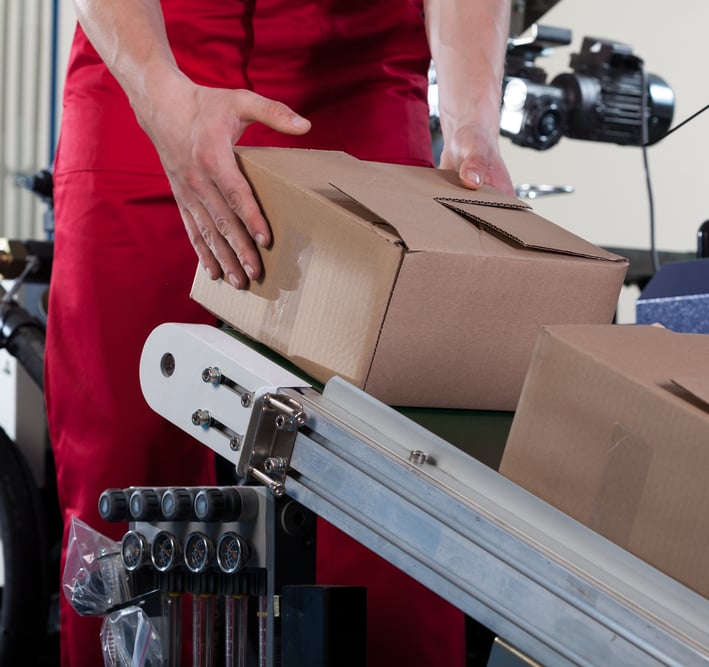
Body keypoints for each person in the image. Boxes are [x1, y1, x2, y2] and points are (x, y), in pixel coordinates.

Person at [46, 1, 515, 665]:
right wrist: (160, 94)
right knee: (129, 469)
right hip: (154, 62)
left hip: (358, 79)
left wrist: (472, 131)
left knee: (384, 489)